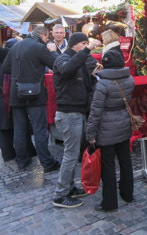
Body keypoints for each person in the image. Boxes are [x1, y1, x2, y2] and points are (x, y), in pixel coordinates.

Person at [52, 33, 101, 208]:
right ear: (74, 45)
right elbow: (66, 69)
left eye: (87, 43)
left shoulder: (76, 60)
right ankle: (59, 195)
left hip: (76, 112)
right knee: (71, 155)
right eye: (83, 43)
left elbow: (81, 82)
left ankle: (69, 188)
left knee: (72, 153)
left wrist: (93, 74)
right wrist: (88, 50)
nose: (86, 45)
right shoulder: (63, 58)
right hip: (68, 113)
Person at [2, 26, 60, 172]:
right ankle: (47, 162)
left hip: (16, 93)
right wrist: (52, 51)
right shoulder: (39, 47)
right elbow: (56, 64)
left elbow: (6, 68)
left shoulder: (16, 46)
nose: (47, 40)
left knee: (20, 129)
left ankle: (22, 160)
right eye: (47, 37)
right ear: (43, 35)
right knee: (39, 129)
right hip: (35, 93)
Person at [86, 50, 135, 212]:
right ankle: (128, 194)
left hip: (106, 129)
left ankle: (109, 203)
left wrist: (91, 134)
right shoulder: (129, 79)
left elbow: (95, 111)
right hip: (123, 124)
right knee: (125, 161)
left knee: (108, 167)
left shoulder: (102, 84)